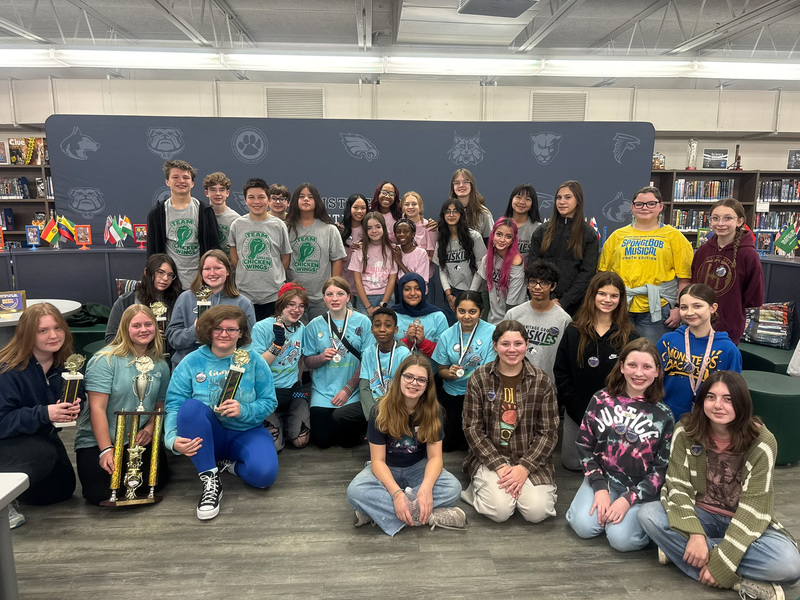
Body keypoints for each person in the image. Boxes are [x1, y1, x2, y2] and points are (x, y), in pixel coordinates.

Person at [638, 371, 800, 600]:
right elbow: (677, 486)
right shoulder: (685, 431)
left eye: (728, 399)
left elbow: (755, 509)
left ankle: (686, 553)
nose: (718, 405)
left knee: (790, 565)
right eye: (711, 397)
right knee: (649, 515)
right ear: (702, 400)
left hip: (743, 519)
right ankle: (738, 583)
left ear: (742, 403)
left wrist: (722, 559)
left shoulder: (763, 442)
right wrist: (694, 534)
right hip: (700, 514)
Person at [164, 305, 278, 521]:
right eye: (218, 328)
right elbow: (174, 403)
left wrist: (243, 409)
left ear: (241, 333)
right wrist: (171, 438)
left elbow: (269, 402)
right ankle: (210, 481)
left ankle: (229, 466)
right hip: (209, 435)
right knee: (190, 408)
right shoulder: (191, 362)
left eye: (231, 329)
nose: (224, 334)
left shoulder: (254, 360)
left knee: (264, 476)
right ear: (209, 331)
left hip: (246, 431)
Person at [565, 338, 674, 552]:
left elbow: (661, 469)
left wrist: (628, 499)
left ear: (657, 371)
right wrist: (599, 488)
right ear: (622, 366)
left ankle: (635, 522)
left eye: (647, 367)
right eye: (632, 365)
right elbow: (584, 446)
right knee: (583, 527)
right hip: (603, 478)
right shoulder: (600, 399)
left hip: (638, 488)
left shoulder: (665, 416)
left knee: (621, 540)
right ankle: (599, 510)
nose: (639, 373)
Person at [346, 355, 466, 535]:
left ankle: (374, 514)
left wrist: (425, 489)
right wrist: (396, 494)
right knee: (355, 491)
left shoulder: (434, 412)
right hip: (387, 467)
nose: (414, 383)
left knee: (453, 488)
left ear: (427, 385)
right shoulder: (379, 410)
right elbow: (377, 461)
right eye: (408, 376)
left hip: (418, 467)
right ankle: (429, 516)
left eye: (421, 379)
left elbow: (435, 458)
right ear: (399, 378)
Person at [461, 320, 559, 524]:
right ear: (495, 346)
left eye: (518, 344)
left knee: (537, 513)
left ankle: (512, 491)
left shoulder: (542, 381)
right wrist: (498, 465)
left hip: (529, 456)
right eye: (505, 344)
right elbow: (472, 428)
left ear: (527, 344)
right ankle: (480, 488)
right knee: (500, 512)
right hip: (491, 456)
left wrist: (525, 467)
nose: (512, 350)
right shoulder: (479, 378)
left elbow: (548, 432)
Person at [75, 305, 171, 505]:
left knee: (149, 485)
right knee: (99, 493)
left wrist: (150, 428)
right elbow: (97, 408)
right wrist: (105, 449)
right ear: (125, 328)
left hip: (137, 439)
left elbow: (160, 405)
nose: (143, 330)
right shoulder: (105, 360)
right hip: (101, 440)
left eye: (148, 324)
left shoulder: (160, 364)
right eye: (136, 325)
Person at [0, 304, 80, 527]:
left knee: (61, 489)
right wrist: (45, 413)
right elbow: (2, 421)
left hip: (38, 435)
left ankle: (13, 489)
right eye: (42, 331)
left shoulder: (64, 364)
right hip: (6, 438)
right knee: (42, 454)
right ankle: (2, 503)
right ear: (27, 334)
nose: (53, 335)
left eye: (58, 327)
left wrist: (72, 406)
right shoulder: (8, 370)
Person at [554, 271, 640, 470]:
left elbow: (633, 379)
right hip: (577, 408)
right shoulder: (574, 330)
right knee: (573, 464)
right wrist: (574, 406)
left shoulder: (630, 336)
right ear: (592, 295)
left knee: (609, 464)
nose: (607, 300)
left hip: (615, 412)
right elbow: (561, 370)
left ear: (621, 299)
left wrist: (619, 410)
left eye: (613, 295)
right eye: (602, 294)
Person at [599, 185, 694, 345]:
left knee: (651, 357)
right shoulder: (617, 236)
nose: (645, 208)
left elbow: (685, 279)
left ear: (660, 206)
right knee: (617, 356)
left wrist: (679, 308)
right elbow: (603, 276)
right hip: (620, 307)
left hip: (658, 309)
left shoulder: (674, 236)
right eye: (639, 204)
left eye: (651, 203)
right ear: (632, 207)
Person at [302, 277, 373, 448]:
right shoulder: (314, 325)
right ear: (324, 298)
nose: (335, 299)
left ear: (348, 297)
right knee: (322, 441)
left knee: (347, 442)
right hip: (323, 392)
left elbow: (368, 360)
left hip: (352, 390)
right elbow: (307, 362)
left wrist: (348, 389)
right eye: (329, 294)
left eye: (340, 294)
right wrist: (320, 358)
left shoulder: (362, 321)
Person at [658, 283, 742, 420]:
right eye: (684, 307)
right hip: (665, 416)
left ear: (713, 308)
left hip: (707, 420)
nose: (690, 312)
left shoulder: (728, 350)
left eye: (697, 306)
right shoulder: (667, 341)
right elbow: (653, 380)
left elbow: (733, 394)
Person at [692, 198, 764, 345]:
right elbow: (694, 285)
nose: (721, 223)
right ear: (710, 221)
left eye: (728, 218)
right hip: (696, 323)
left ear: (739, 221)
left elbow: (754, 297)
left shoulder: (748, 254)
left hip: (728, 328)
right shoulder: (703, 250)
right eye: (715, 218)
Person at [167, 249, 256, 367]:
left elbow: (250, 342)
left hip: (227, 367)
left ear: (228, 271)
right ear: (201, 272)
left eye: (218, 268)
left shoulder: (243, 303)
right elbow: (173, 339)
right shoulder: (185, 299)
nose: (212, 273)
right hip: (189, 366)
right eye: (207, 269)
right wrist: (195, 330)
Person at [431, 291, 496, 452]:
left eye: (472, 312)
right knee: (448, 445)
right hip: (453, 393)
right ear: (455, 310)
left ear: (481, 312)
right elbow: (441, 370)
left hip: (480, 394)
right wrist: (449, 373)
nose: (466, 316)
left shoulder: (492, 332)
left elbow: (488, 371)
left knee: (474, 444)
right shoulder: (447, 335)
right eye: (462, 311)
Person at [250, 283, 311, 451]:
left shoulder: (301, 328)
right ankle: (276, 422)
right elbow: (257, 365)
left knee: (301, 440)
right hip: (267, 392)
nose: (296, 310)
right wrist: (277, 345)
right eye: (291, 304)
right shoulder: (261, 327)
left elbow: (300, 359)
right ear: (281, 304)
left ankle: (286, 421)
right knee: (275, 447)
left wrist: (298, 384)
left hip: (291, 391)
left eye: (301, 306)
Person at [146, 159, 220, 288]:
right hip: (169, 285)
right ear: (167, 182)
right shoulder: (156, 214)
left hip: (200, 283)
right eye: (175, 177)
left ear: (192, 183)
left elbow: (215, 249)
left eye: (186, 177)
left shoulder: (206, 212)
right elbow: (152, 254)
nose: (181, 181)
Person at [528, 181, 599, 315]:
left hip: (574, 307)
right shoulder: (541, 231)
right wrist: (549, 298)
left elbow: (587, 273)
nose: (561, 201)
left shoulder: (589, 235)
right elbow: (533, 267)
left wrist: (564, 301)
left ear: (578, 200)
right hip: (542, 301)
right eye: (558, 198)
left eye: (567, 197)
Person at [229, 177, 292, 321]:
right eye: (251, 197)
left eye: (261, 197)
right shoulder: (237, 224)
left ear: (268, 200)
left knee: (271, 338)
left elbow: (285, 257)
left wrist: (274, 276)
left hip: (273, 295)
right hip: (244, 294)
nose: (256, 201)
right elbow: (234, 254)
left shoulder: (279, 225)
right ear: (245, 200)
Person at [285, 183, 347, 321]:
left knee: (321, 337)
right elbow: (283, 259)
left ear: (317, 201)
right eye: (302, 197)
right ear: (295, 201)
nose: (306, 199)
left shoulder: (329, 229)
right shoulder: (286, 227)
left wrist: (333, 289)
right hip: (294, 296)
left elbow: (337, 259)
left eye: (310, 197)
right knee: (296, 339)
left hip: (321, 297)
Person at [503, 260, 572, 382]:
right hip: (516, 381)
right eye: (533, 282)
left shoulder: (564, 319)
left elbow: (566, 359)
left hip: (548, 385)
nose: (537, 287)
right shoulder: (513, 314)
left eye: (544, 283)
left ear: (553, 286)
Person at [105, 253, 183, 344]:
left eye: (170, 275)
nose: (165, 278)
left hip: (172, 353)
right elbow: (110, 339)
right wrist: (142, 337)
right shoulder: (126, 301)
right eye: (160, 272)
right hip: (136, 355)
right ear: (146, 272)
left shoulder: (180, 299)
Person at [433, 200, 487, 326]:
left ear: (461, 214)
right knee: (452, 331)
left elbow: (481, 268)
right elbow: (442, 270)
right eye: (448, 211)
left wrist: (470, 294)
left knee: (473, 329)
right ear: (443, 215)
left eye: (455, 211)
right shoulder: (441, 241)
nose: (451, 215)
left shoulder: (474, 236)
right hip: (453, 294)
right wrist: (449, 295)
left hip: (474, 291)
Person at [471, 217, 527, 324]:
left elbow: (512, 303)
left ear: (513, 240)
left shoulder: (516, 262)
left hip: (512, 320)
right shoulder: (488, 258)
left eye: (508, 236)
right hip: (493, 318)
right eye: (499, 234)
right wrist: (468, 299)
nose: (502, 240)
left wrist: (504, 327)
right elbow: (477, 281)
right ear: (493, 235)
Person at [359, 307, 411, 420]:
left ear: (396, 329)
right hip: (374, 403)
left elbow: (407, 388)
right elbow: (364, 386)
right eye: (377, 325)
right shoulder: (368, 352)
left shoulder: (404, 354)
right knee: (341, 416)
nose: (382, 329)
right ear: (372, 329)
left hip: (396, 405)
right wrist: (371, 417)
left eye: (388, 326)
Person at [348, 212, 397, 317]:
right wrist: (368, 307)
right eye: (369, 228)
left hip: (387, 298)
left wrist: (383, 304)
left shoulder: (392, 249)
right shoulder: (358, 250)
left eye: (378, 227)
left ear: (383, 227)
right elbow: (357, 281)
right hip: (364, 298)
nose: (374, 231)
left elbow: (392, 280)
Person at [391, 273, 448, 359]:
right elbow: (386, 351)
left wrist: (422, 342)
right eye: (407, 289)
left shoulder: (438, 316)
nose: (413, 293)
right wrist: (408, 341)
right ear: (400, 291)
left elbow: (443, 354)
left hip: (431, 371)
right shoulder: (392, 315)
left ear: (423, 290)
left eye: (417, 289)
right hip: (398, 370)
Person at [449, 169, 494, 243]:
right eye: (457, 183)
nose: (461, 185)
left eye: (466, 182)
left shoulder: (484, 213)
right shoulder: (448, 213)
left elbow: (490, 243)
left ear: (472, 185)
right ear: (453, 187)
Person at [340, 193, 368, 308]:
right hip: (345, 287)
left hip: (365, 289)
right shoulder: (340, 230)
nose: (359, 211)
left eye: (363, 208)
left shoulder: (370, 230)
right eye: (355, 207)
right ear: (349, 208)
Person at [204, 171, 240, 259]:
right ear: (206, 193)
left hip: (230, 270)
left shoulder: (236, 219)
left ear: (227, 193)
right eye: (213, 189)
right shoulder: (201, 216)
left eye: (222, 189)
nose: (218, 194)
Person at [503, 183, 542, 259]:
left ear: (532, 204)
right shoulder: (500, 225)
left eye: (527, 199)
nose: (522, 202)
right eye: (518, 197)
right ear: (512, 199)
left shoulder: (538, 229)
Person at [393, 218, 430, 283]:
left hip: (417, 292)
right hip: (399, 291)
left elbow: (417, 282)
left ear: (413, 234)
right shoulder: (395, 250)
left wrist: (400, 262)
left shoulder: (421, 253)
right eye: (398, 232)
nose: (401, 234)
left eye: (406, 231)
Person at [402, 191, 437, 260]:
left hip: (424, 269)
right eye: (407, 204)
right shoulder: (400, 226)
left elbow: (433, 257)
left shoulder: (429, 227)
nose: (410, 207)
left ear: (420, 207)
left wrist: (418, 256)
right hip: (403, 269)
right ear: (403, 207)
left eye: (414, 204)